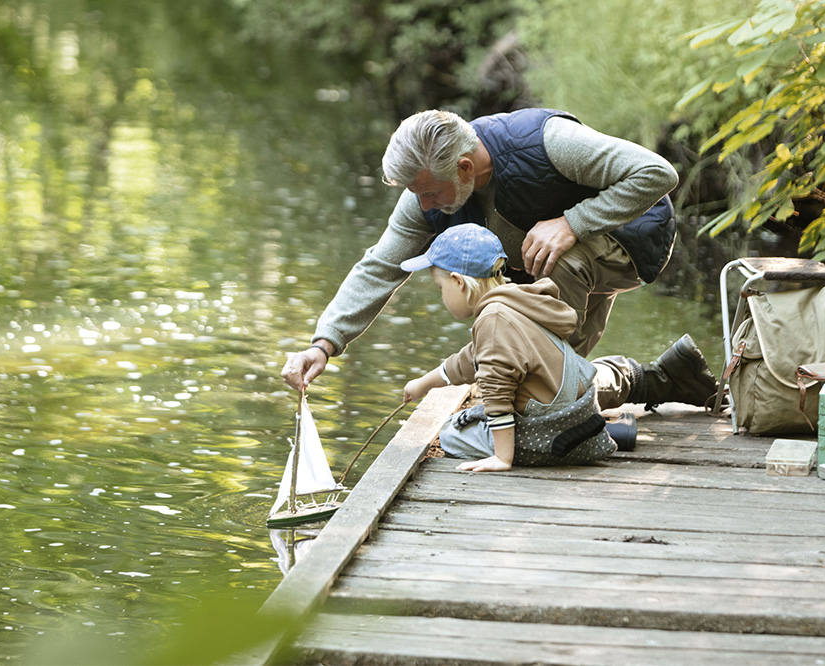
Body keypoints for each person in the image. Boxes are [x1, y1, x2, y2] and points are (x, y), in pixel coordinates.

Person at [282, 107, 702, 407]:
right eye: (417, 194)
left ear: (465, 168)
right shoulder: (428, 191)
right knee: (558, 384)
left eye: (430, 193)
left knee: (539, 383)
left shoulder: (547, 142)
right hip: (545, 260)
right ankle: (657, 379)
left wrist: (573, 222)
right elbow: (381, 265)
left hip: (629, 234)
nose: (424, 205)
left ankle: (551, 396)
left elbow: (657, 173)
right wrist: (323, 344)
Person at [396, 224, 715, 473]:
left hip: (552, 433)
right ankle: (603, 433)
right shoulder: (515, 303)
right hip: (573, 417)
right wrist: (424, 383)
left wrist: (501, 458)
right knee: (473, 418)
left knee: (453, 431)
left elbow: (496, 393)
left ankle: (558, 445)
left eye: (441, 288)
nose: (442, 296)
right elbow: (471, 359)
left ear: (459, 282)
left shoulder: (492, 321)